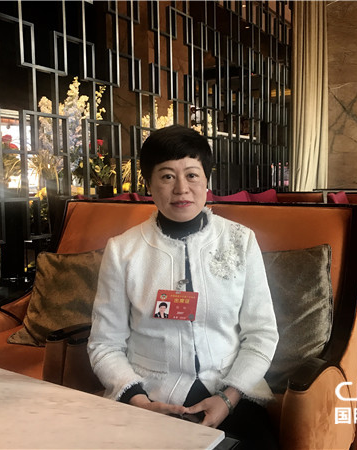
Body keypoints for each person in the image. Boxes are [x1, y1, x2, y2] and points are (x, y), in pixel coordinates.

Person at [88, 124, 279, 448]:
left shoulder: (240, 241)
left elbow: (262, 334)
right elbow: (105, 344)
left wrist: (228, 397)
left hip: (230, 391)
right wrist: (138, 400)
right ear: (149, 184)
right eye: (167, 176)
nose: (181, 189)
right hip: (150, 395)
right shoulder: (123, 251)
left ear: (207, 180)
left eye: (192, 175)